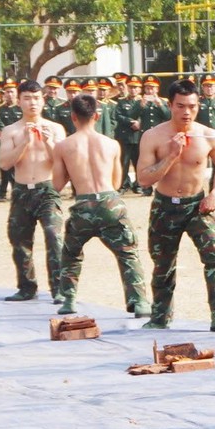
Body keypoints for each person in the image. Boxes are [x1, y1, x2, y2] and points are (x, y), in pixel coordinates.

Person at [134, 77, 215, 331]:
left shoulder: (208, 135)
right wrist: (170, 156)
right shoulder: (153, 136)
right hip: (165, 205)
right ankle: (160, 316)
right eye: (181, 106)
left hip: (197, 205)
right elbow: (144, 179)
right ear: (171, 105)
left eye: (192, 106)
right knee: (163, 262)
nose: (186, 112)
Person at [50, 92, 146, 317]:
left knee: (71, 253)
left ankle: (69, 299)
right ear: (96, 115)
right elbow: (116, 181)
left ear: (73, 116)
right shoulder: (111, 144)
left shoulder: (63, 146)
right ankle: (139, 301)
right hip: (110, 201)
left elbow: (56, 184)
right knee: (128, 254)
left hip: (83, 204)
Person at [0, 81, 68, 302]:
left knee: (54, 236)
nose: (32, 103)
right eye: (27, 98)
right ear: (19, 101)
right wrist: (24, 143)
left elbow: (62, 162)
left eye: (36, 98)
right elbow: (4, 163)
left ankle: (59, 289)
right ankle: (27, 287)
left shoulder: (55, 128)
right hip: (22, 190)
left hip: (47, 189)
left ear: (43, 100)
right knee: (19, 239)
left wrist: (48, 143)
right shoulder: (11, 130)